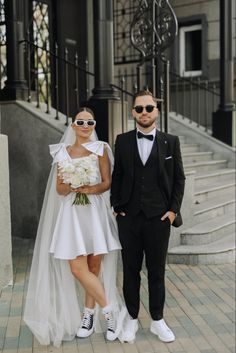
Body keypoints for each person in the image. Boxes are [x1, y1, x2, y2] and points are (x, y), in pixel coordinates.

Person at [24, 107, 124, 347]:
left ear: (94, 125)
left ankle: (88, 317)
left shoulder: (101, 149)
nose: (85, 126)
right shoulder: (62, 153)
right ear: (72, 125)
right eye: (80, 122)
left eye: (90, 122)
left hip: (94, 211)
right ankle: (111, 312)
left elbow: (107, 182)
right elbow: (59, 189)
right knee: (77, 269)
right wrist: (72, 184)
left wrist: (90, 188)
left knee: (93, 265)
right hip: (72, 214)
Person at [111, 90, 185, 343]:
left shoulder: (171, 141)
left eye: (149, 108)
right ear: (133, 112)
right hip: (129, 217)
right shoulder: (121, 141)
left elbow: (179, 179)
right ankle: (131, 319)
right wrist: (115, 204)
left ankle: (157, 320)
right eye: (139, 109)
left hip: (158, 218)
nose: (144, 112)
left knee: (156, 271)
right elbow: (117, 175)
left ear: (157, 111)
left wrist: (173, 210)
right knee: (130, 270)